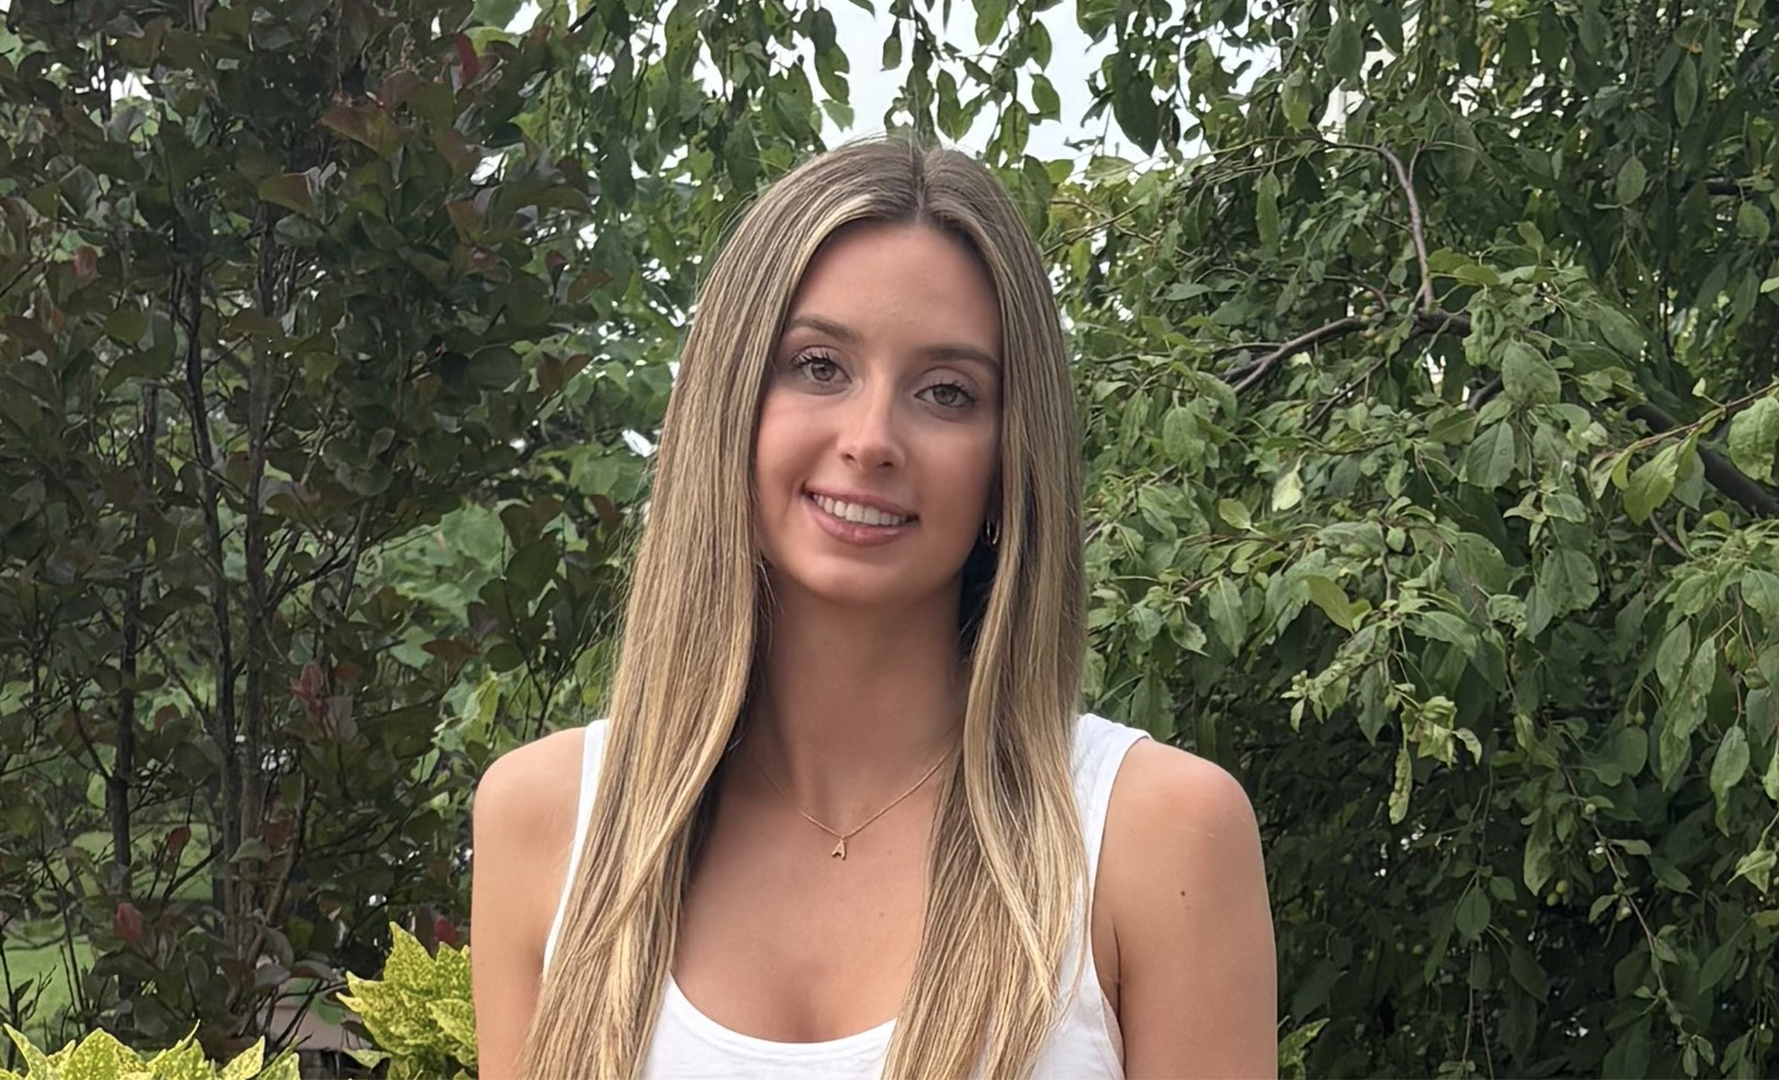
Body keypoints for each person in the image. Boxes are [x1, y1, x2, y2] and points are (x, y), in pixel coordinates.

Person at [469, 133, 1275, 1079]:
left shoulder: (1155, 837)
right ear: (729, 400)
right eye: (819, 366)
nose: (872, 438)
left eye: (946, 391)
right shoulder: (548, 823)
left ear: (1009, 460)